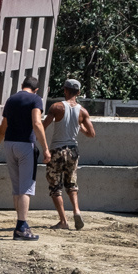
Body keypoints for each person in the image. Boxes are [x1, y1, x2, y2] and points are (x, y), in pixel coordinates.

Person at [0, 72, 51, 240]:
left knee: (17, 188)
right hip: (25, 146)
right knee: (26, 188)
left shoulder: (11, 100)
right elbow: (37, 123)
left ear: (23, 85)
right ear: (36, 89)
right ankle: (21, 227)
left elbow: (3, 126)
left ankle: (21, 224)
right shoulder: (35, 99)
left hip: (9, 145)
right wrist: (45, 148)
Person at [44, 78, 96, 229]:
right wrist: (79, 127)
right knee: (71, 184)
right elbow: (91, 134)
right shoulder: (83, 111)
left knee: (55, 187)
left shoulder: (56, 107)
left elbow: (43, 126)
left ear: (65, 90)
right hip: (73, 150)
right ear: (78, 92)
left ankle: (63, 221)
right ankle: (76, 210)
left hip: (57, 151)